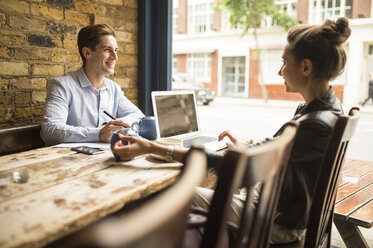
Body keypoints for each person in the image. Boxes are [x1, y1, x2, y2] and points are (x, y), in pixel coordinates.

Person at [112, 17, 350, 244]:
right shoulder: (326, 109)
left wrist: (152, 147)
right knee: (204, 188)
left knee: (166, 194)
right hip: (282, 209)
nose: (280, 71)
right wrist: (248, 148)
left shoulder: (314, 124)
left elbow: (234, 167)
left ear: (306, 67)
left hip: (279, 223)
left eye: (285, 62)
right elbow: (281, 152)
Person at [41, 24, 144, 146]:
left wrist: (117, 126)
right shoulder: (62, 85)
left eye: (115, 50)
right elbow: (50, 131)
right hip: (70, 160)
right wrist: (98, 133)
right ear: (87, 52)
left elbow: (139, 117)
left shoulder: (113, 88)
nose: (115, 57)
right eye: (107, 50)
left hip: (105, 157)